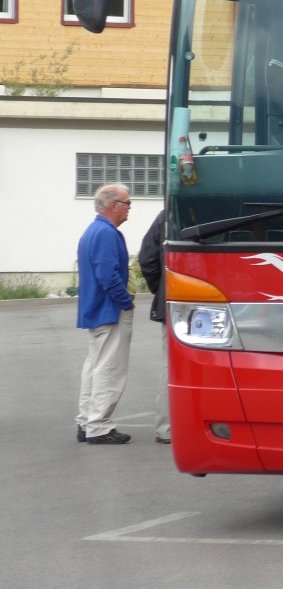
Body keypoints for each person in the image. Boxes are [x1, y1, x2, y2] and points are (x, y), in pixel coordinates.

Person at [75, 184, 136, 444]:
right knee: (109, 368)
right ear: (114, 206)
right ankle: (99, 426)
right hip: (110, 309)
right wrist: (126, 302)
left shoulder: (95, 230)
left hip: (97, 309)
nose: (129, 207)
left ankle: (87, 421)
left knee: (95, 366)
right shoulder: (106, 233)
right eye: (127, 203)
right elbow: (107, 275)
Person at [138, 208, 171, 445]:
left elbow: (147, 259)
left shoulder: (167, 215)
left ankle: (166, 428)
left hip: (174, 302)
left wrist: (162, 290)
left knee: (172, 365)